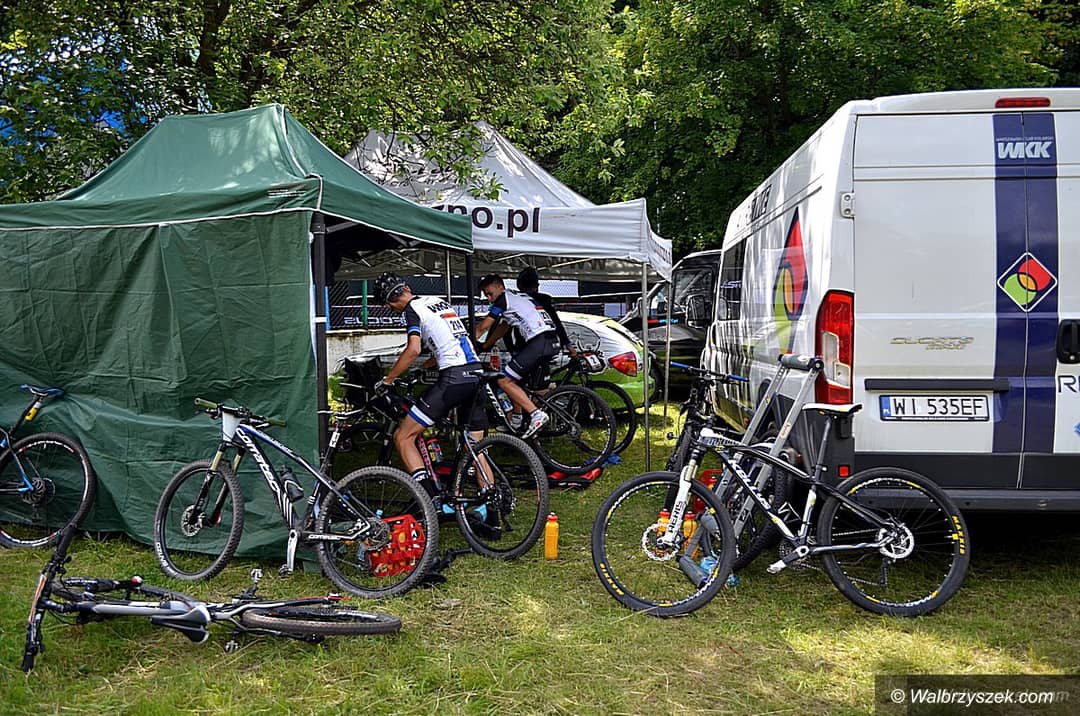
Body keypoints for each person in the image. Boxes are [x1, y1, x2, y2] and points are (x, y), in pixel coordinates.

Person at [372, 272, 490, 493]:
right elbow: (448, 342)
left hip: (454, 379)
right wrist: (422, 369)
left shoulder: (412, 310)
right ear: (407, 287)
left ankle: (428, 497)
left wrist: (388, 379)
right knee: (475, 448)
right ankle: (491, 504)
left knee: (403, 436)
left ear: (388, 303)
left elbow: (413, 349)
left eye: (387, 306)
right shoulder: (437, 302)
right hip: (476, 374)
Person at [474, 274, 553, 436]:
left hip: (538, 342)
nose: (489, 299)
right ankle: (517, 420)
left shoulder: (502, 299)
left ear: (500, 287)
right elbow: (504, 327)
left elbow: (483, 327)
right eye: (486, 295)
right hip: (550, 340)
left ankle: (535, 414)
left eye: (490, 293)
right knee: (517, 381)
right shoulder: (515, 297)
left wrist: (467, 345)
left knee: (504, 380)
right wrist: (486, 345)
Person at [515, 267, 577, 360]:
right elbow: (556, 322)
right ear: (537, 285)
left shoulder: (515, 301)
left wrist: (512, 349)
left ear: (518, 285)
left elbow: (506, 328)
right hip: (547, 346)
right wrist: (568, 344)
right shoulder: (544, 300)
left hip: (523, 348)